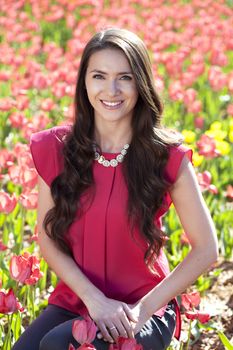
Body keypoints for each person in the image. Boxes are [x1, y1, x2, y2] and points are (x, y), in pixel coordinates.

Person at [13, 28, 218, 350]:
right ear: (84, 82)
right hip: (78, 299)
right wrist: (95, 301)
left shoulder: (165, 156)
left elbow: (206, 248)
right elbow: (48, 239)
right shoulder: (55, 149)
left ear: (141, 84)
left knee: (58, 345)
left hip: (144, 306)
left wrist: (144, 310)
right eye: (99, 76)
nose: (111, 90)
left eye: (125, 77)